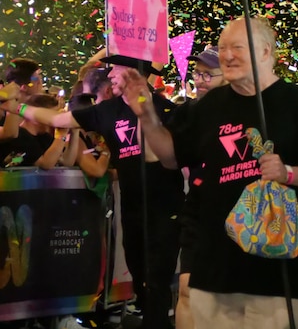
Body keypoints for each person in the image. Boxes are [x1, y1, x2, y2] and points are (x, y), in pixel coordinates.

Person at [125, 16, 298, 329]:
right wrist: (147, 118)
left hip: (273, 278)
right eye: (223, 47)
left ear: (266, 53)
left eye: (237, 47)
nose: (226, 55)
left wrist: (288, 173)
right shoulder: (208, 106)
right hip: (212, 271)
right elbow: (171, 157)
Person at [0, 54, 182, 329]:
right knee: (138, 271)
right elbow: (59, 119)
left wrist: (147, 114)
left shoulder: (166, 110)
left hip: (165, 208)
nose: (109, 76)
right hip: (131, 208)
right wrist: (17, 110)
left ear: (137, 74)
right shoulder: (106, 110)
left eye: (117, 70)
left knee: (157, 278)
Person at [176, 45, 227, 329]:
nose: (200, 80)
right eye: (198, 73)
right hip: (196, 211)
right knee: (186, 289)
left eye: (209, 75)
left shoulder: (242, 111)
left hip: (233, 214)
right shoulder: (187, 113)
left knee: (221, 299)